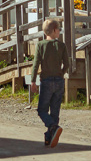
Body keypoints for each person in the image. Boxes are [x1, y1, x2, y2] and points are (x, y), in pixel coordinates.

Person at [30, 18, 69, 148]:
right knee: (55, 110)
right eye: (58, 29)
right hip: (59, 81)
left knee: (42, 110)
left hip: (46, 81)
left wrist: (33, 81)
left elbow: (36, 64)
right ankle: (49, 136)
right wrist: (61, 73)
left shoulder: (41, 45)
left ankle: (52, 128)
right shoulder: (62, 45)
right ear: (53, 31)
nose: (59, 31)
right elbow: (67, 64)